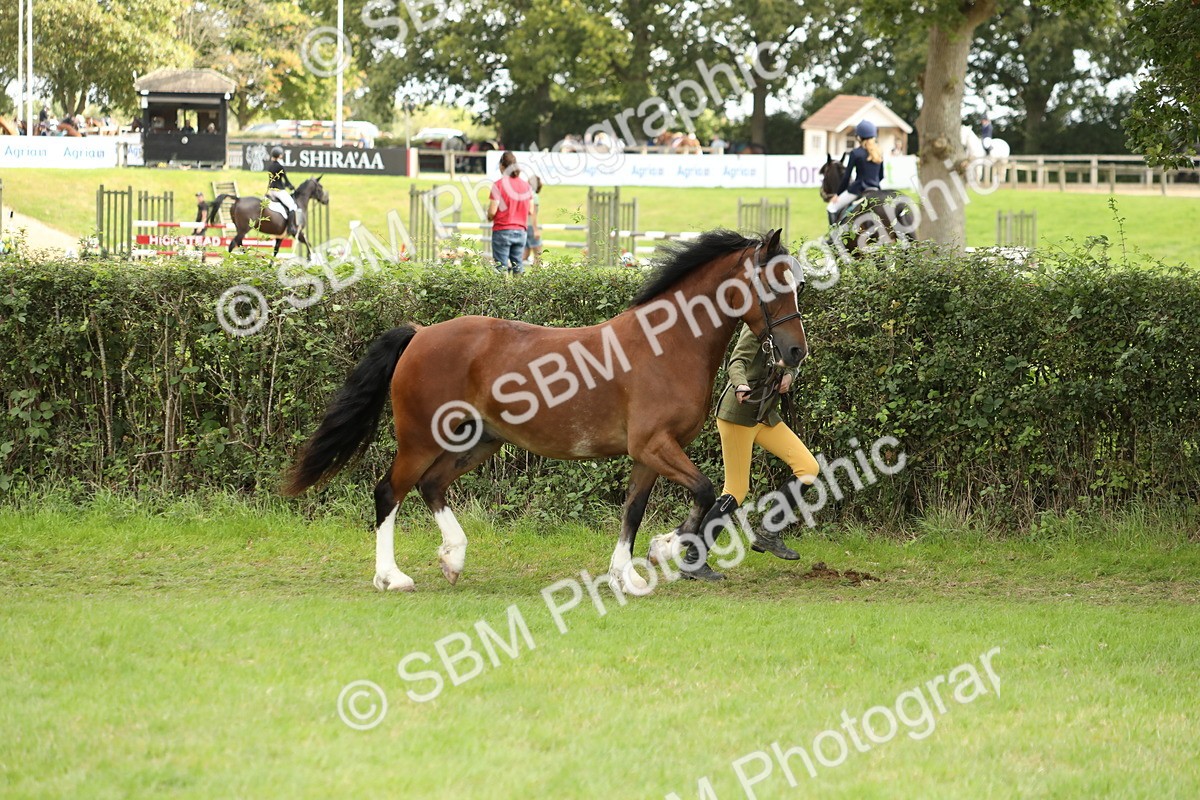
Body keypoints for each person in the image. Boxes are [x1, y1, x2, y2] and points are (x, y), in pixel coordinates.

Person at [683, 325, 821, 580]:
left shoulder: (787, 325)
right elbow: (737, 361)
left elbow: (793, 358)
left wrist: (790, 373)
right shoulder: (756, 326)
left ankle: (769, 532)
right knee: (736, 490)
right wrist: (740, 384)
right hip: (737, 415)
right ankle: (693, 560)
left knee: (808, 468)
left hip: (763, 415)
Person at [826, 120, 885, 225]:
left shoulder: (855, 153)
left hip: (857, 190)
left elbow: (846, 177)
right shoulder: (879, 152)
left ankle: (833, 237)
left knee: (831, 207)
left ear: (859, 137)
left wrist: (837, 194)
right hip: (876, 189)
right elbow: (881, 176)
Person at [487, 151, 531, 275]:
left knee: (501, 268)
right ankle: (520, 293)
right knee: (518, 266)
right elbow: (531, 210)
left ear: (502, 166)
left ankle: (503, 294)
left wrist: (489, 216)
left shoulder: (498, 185)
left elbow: (492, 211)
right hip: (521, 231)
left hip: (502, 230)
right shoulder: (526, 186)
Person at [265, 146, 298, 235]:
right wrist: (292, 187)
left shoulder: (270, 166)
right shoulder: (280, 166)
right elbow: (286, 181)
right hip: (278, 191)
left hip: (270, 191)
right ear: (280, 156)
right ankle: (291, 227)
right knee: (292, 206)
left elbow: (274, 180)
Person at [523, 175, 543, 269]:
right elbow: (533, 214)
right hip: (531, 226)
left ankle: (514, 273)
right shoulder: (534, 196)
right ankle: (536, 279)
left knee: (525, 254)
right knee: (538, 253)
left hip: (523, 226)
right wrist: (536, 229)